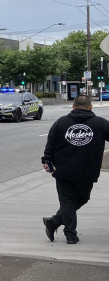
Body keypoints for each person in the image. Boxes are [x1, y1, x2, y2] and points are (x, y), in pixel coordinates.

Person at [41, 94, 109, 244]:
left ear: (73, 107)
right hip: (87, 171)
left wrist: (48, 162)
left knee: (77, 201)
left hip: (63, 170)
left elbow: (50, 146)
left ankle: (54, 222)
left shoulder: (61, 122)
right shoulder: (101, 124)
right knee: (70, 203)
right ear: (91, 107)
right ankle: (70, 234)